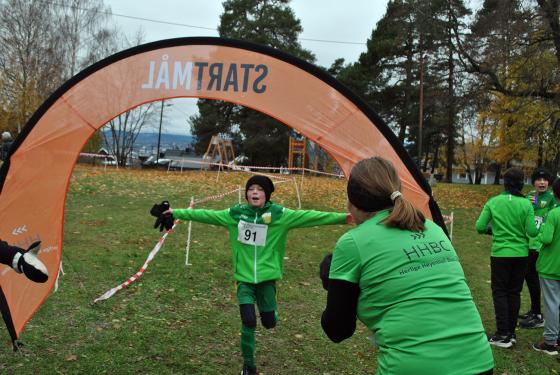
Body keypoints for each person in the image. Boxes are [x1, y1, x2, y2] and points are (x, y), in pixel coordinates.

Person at [151, 175, 351, 375]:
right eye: (251, 189)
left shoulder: (280, 215)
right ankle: (248, 367)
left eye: (260, 189)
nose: (255, 192)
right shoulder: (235, 214)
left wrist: (345, 218)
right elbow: (206, 214)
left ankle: (271, 313)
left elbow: (312, 216)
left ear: (267, 194)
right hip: (244, 280)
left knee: (269, 323)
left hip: (267, 280)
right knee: (248, 321)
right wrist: (175, 212)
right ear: (246, 194)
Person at [320, 156, 494, 375]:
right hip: (479, 361)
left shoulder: (353, 242)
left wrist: (332, 283)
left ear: (351, 200)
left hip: (415, 367)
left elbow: (337, 330)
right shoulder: (433, 228)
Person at [476, 167, 537, 348]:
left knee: (500, 292)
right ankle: (510, 333)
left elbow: (479, 226)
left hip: (501, 254)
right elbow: (532, 231)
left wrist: (492, 230)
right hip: (521, 254)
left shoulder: (493, 202)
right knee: (514, 292)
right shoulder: (526, 204)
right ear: (521, 184)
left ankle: (502, 334)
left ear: (504, 183)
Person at [520, 167, 556, 329]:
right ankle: (535, 310)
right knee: (529, 276)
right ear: (533, 182)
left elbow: (551, 221)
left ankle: (538, 314)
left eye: (545, 180)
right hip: (527, 242)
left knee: (533, 277)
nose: (542, 182)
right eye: (538, 179)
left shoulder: (552, 198)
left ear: (549, 182)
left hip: (539, 244)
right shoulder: (530, 196)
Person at [532, 177, 560, 355]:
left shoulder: (554, 214)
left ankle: (550, 342)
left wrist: (540, 230)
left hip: (551, 266)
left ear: (555, 193)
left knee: (551, 304)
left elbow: (547, 238)